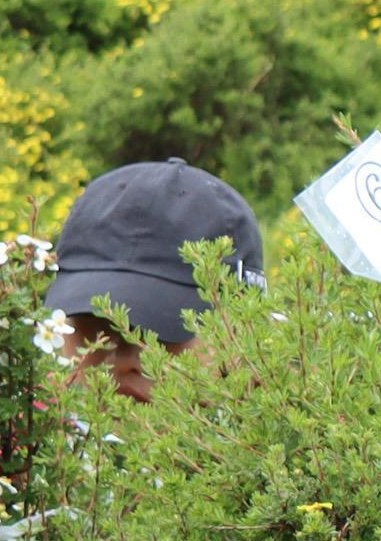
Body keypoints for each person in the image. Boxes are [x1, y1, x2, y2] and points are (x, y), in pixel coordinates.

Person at [44, 159, 266, 402]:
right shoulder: (16, 431)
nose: (125, 359)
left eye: (163, 331)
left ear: (243, 330)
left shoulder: (307, 433)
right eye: (96, 319)